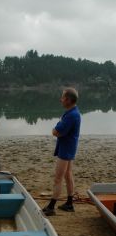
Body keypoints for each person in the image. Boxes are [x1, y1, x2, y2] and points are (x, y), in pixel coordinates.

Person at [42, 87, 81, 216]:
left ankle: (51, 207)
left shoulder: (71, 115)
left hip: (66, 149)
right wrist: (58, 126)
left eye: (63, 97)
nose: (61, 99)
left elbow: (56, 132)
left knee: (58, 178)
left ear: (69, 100)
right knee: (68, 175)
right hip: (69, 147)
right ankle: (69, 203)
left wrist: (55, 128)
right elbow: (60, 130)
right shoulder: (73, 112)